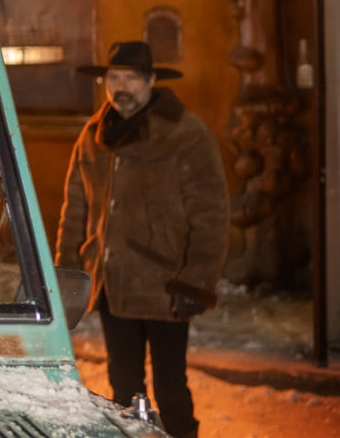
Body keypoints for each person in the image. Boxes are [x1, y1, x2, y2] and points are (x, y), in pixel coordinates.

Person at [57, 41, 229, 438]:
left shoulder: (186, 133)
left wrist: (196, 280)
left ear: (151, 81)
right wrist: (67, 273)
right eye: (113, 77)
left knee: (171, 387)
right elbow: (75, 209)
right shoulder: (93, 133)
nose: (121, 86)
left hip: (166, 284)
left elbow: (212, 214)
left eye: (131, 78)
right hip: (113, 284)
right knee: (123, 387)